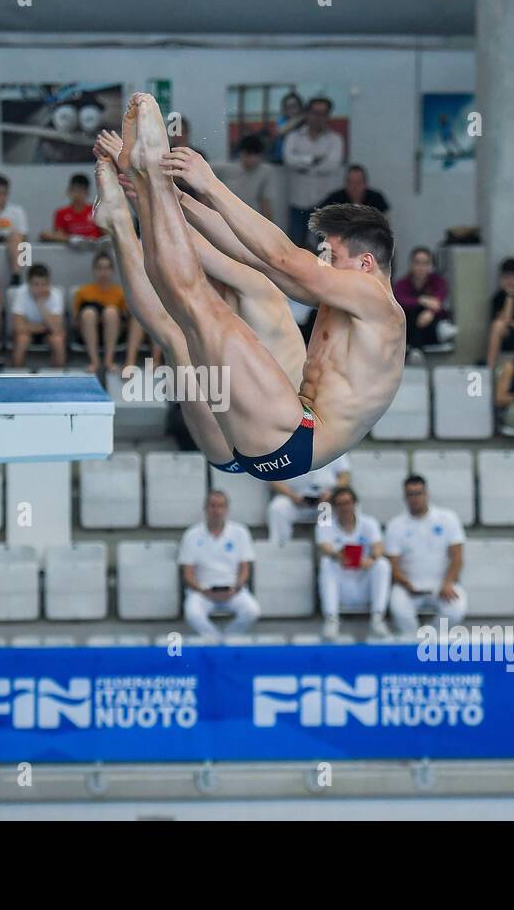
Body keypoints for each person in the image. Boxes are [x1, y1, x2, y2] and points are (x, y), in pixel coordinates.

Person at [154, 95, 405, 483]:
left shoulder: (378, 303)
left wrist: (212, 185)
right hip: (274, 436)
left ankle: (132, 216)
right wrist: (182, 197)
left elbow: (285, 256)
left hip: (297, 439)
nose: (324, 261)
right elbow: (257, 257)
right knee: (189, 321)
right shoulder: (341, 298)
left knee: (212, 313)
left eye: (333, 255)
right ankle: (149, 198)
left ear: (366, 263)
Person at [93, 130, 305, 476]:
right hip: (237, 444)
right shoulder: (236, 290)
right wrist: (142, 190)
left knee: (178, 335)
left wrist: (140, 179)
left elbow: (193, 249)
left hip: (276, 436)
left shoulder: (259, 286)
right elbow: (181, 249)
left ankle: (119, 225)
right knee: (176, 333)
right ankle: (117, 225)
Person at [384, 476, 467, 634]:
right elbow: (393, 565)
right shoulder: (395, 525)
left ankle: (431, 642)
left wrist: (448, 582)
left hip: (442, 584)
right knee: (399, 609)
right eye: (410, 494)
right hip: (408, 585)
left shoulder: (448, 518)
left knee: (456, 609)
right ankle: (413, 643)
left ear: (427, 494)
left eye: (418, 493)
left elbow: (457, 557)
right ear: (404, 497)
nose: (415, 498)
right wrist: (406, 583)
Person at [178, 490, 260, 641]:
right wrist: (203, 590)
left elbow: (245, 568)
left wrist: (236, 587)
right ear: (205, 508)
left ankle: (226, 639)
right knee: (192, 613)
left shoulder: (240, 532)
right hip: (202, 591)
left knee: (252, 611)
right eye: (212, 506)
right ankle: (217, 641)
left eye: (221, 506)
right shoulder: (191, 535)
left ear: (227, 509)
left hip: (232, 590)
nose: (216, 510)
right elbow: (188, 573)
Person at [315, 487, 393, 641]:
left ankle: (378, 617)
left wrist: (371, 558)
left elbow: (378, 545)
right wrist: (340, 555)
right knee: (326, 563)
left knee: (382, 564)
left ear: (355, 504)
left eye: (347, 503)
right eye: (340, 504)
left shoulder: (369, 523)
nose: (345, 507)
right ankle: (331, 618)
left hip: (363, 584)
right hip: (341, 584)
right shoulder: (324, 525)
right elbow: (325, 546)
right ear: (335, 507)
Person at [280, 96, 344, 247]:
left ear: (328, 116)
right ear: (307, 113)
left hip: (325, 202)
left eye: (323, 113)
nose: (318, 117)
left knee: (326, 250)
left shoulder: (335, 139)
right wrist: (314, 160)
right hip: (298, 201)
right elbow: (289, 160)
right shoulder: (293, 137)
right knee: (296, 247)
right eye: (315, 112)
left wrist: (302, 164)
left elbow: (332, 164)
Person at [73, 249, 144, 374]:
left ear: (112, 271)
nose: (103, 272)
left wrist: (110, 318)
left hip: (114, 332)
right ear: (94, 270)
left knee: (111, 313)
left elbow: (127, 320)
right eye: (99, 268)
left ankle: (109, 361)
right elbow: (76, 323)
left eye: (106, 268)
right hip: (89, 332)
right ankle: (95, 361)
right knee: (89, 313)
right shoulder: (83, 292)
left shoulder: (120, 293)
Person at [266, 453, 351, 545]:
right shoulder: (283, 445)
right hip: (294, 500)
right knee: (278, 508)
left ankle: (328, 548)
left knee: (334, 508)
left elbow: (345, 476)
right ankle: (280, 547)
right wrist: (292, 495)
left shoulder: (334, 445)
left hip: (325, 502)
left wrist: (332, 493)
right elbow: (272, 479)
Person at [393, 246, 456, 350]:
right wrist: (421, 300)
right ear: (411, 264)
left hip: (431, 326)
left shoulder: (438, 281)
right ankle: (415, 349)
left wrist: (431, 312)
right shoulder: (402, 284)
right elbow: (400, 300)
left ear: (431, 265)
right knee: (413, 312)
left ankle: (415, 349)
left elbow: (437, 302)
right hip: (410, 326)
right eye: (417, 263)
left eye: (425, 263)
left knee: (424, 314)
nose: (421, 267)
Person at [8, 263, 67, 367]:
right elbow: (18, 327)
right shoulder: (21, 293)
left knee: (58, 340)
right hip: (29, 333)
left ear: (49, 283)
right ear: (29, 284)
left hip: (44, 332)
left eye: (44, 284)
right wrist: (44, 326)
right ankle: (18, 377)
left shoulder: (56, 294)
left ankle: (57, 379)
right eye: (36, 284)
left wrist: (40, 304)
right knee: (21, 339)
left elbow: (57, 329)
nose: (40, 288)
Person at [218, 134, 272, 218]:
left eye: (255, 155)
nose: (252, 159)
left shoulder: (264, 171)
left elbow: (265, 201)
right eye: (248, 155)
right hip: (227, 215)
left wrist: (270, 226)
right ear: (241, 153)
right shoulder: (226, 168)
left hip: (252, 216)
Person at [39, 173, 102, 243]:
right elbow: (59, 235)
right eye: (74, 190)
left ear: (87, 193)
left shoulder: (97, 211)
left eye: (81, 191)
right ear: (68, 191)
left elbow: (106, 234)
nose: (77, 195)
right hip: (71, 250)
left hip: (96, 250)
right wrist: (74, 240)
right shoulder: (61, 212)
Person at [318, 164, 390, 216]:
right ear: (345, 183)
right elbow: (319, 219)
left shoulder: (376, 199)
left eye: (358, 182)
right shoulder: (334, 199)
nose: (354, 187)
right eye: (350, 182)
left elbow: (386, 227)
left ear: (365, 184)